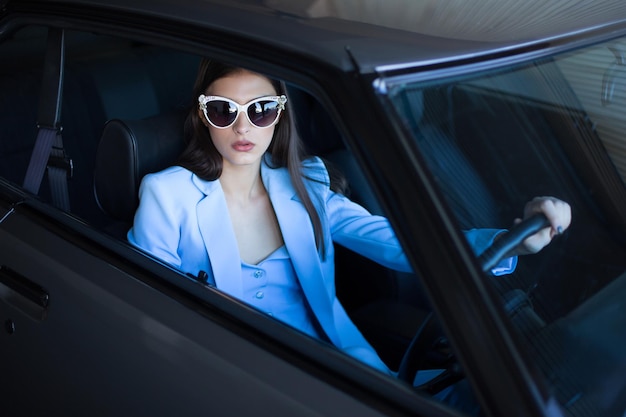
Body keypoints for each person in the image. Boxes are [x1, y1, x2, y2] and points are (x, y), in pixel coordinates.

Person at [127, 58, 571, 381]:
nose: (243, 128)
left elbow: (400, 245)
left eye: (260, 109)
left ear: (280, 113)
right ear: (204, 118)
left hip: (338, 366)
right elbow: (148, 316)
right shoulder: (166, 195)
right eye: (224, 110)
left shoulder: (306, 182)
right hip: (234, 377)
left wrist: (513, 242)